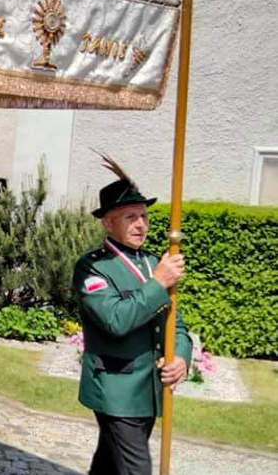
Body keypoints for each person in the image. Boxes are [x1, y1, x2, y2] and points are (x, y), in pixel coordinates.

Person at [74, 157, 191, 475]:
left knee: (110, 465)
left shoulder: (154, 262)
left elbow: (175, 324)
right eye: (130, 217)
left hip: (147, 389)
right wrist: (158, 283)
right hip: (116, 389)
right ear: (108, 223)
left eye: (144, 216)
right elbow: (116, 319)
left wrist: (180, 356)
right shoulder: (93, 267)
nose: (141, 224)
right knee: (136, 469)